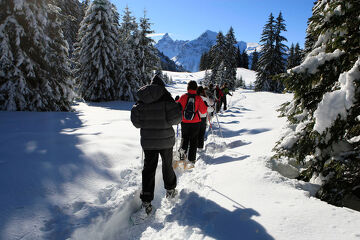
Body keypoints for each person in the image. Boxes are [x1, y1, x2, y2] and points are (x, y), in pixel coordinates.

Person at [131, 74, 182, 215]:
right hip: (166, 140)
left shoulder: (142, 98)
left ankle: (146, 201)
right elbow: (177, 119)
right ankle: (170, 190)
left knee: (148, 170)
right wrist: (177, 106)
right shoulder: (166, 97)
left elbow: (136, 122)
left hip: (148, 142)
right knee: (167, 165)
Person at [177, 81, 207, 166]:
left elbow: (177, 108)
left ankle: (181, 158)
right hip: (196, 122)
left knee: (184, 139)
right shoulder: (198, 98)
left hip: (184, 122)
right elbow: (203, 111)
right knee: (194, 140)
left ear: (188, 87)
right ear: (196, 88)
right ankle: (191, 160)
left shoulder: (183, 97)